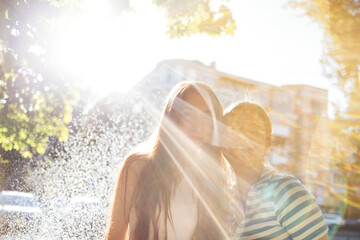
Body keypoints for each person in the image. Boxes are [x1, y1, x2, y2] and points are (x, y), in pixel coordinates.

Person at [106, 81, 231, 240]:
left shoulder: (213, 179)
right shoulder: (137, 166)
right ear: (173, 118)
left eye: (206, 117)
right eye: (188, 114)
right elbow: (114, 236)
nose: (197, 126)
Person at [222, 102, 329, 240]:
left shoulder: (287, 191)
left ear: (267, 144)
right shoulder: (222, 199)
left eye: (254, 132)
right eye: (235, 129)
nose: (244, 138)